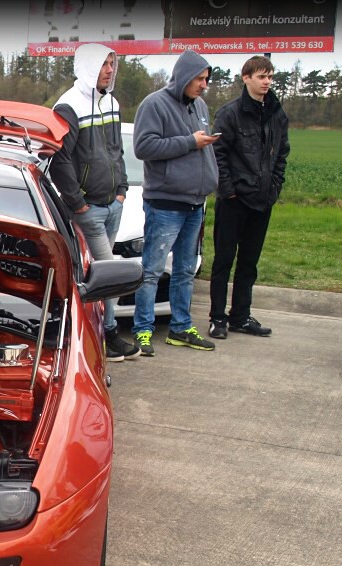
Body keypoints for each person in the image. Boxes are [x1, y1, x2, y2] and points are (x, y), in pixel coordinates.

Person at [50, 43, 139, 362]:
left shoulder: (111, 102)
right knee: (108, 273)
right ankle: (109, 335)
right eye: (104, 64)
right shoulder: (68, 105)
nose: (110, 70)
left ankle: (94, 334)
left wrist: (122, 190)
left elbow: (117, 151)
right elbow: (60, 161)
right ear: (88, 66)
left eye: (113, 64)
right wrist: (79, 203)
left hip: (113, 204)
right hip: (88, 209)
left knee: (100, 274)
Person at [131, 49, 220, 356]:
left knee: (185, 270)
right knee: (152, 270)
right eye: (199, 79)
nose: (204, 85)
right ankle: (142, 330)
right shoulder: (154, 104)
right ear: (184, 76)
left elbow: (200, 146)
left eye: (206, 79)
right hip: (165, 203)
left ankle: (181, 328)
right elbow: (144, 147)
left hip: (196, 203)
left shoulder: (200, 106)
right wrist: (190, 142)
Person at [207, 55, 289, 340]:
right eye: (261, 76)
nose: (267, 82)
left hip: (263, 200)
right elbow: (218, 154)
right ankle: (217, 318)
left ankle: (240, 316)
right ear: (246, 78)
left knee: (249, 263)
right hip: (234, 200)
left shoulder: (277, 114)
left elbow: (282, 153)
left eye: (270, 77)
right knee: (224, 260)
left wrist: (275, 187)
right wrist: (228, 191)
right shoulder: (229, 113)